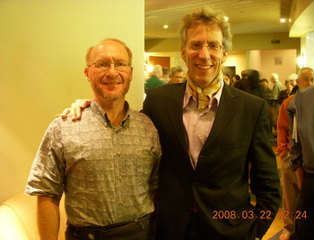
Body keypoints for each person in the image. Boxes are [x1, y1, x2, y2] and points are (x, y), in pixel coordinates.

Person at [59, 7, 280, 240]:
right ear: (183, 52)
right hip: (170, 230)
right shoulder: (158, 101)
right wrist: (91, 107)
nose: (204, 54)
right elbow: (126, 126)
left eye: (213, 46)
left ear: (224, 53)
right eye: (196, 45)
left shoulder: (251, 108)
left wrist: (254, 232)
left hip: (229, 232)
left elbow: (268, 186)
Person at [25, 39, 161, 240]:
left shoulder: (148, 127)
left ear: (131, 72)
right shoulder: (64, 127)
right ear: (88, 72)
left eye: (120, 64)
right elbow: (46, 192)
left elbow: (155, 186)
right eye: (102, 64)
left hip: (142, 233)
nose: (112, 72)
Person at [276, 67, 314, 240]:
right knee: (290, 194)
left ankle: (303, 226)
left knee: (307, 194)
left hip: (310, 157)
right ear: (298, 82)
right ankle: (290, 226)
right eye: (306, 79)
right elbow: (282, 128)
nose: (310, 83)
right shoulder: (290, 101)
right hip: (291, 155)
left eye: (313, 79)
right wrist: (284, 151)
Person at [287, 81, 314, 240]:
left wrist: (303, 183)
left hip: (313, 183)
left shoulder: (301, 99)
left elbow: (295, 147)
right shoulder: (301, 99)